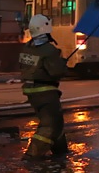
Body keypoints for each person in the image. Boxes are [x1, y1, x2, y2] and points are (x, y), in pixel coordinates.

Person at [19, 14, 69, 158]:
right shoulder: (49, 50)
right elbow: (57, 72)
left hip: (31, 91)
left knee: (56, 121)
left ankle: (61, 153)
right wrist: (62, 64)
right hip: (45, 92)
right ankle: (31, 155)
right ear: (46, 28)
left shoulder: (27, 48)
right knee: (50, 125)